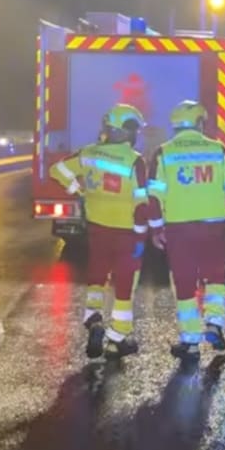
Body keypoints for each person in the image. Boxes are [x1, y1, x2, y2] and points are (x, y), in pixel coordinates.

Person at [147, 100, 225, 363]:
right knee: (216, 276)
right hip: (214, 226)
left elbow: (154, 195)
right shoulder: (217, 149)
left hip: (179, 229)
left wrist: (156, 227)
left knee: (184, 282)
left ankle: (190, 341)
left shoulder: (163, 152)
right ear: (200, 122)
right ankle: (214, 322)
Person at [48, 104, 149, 358]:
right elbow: (141, 202)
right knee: (125, 284)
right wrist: (141, 234)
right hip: (126, 232)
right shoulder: (135, 161)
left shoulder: (89, 153)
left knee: (97, 276)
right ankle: (117, 339)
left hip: (97, 227)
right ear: (127, 132)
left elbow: (56, 171)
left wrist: (77, 190)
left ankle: (93, 320)